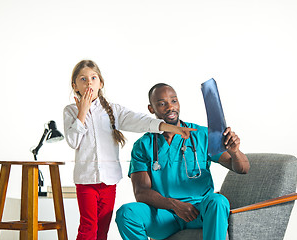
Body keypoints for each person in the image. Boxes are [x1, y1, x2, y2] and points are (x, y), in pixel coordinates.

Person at [63, 61, 195, 240]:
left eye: (93, 78)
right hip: (86, 181)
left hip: (109, 182)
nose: (89, 83)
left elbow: (141, 121)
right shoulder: (71, 111)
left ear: (100, 83)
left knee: (102, 230)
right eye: (83, 79)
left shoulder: (113, 111)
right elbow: (73, 141)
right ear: (74, 86)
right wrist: (83, 111)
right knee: (88, 227)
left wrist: (172, 128)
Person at [115, 83, 250, 240]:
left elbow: (243, 168)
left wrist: (234, 152)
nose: (170, 107)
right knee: (127, 214)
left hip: (199, 210)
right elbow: (141, 193)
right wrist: (174, 205)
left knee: (218, 201)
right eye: (161, 103)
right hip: (165, 215)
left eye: (173, 101)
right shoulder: (143, 145)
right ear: (151, 109)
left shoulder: (201, 135)